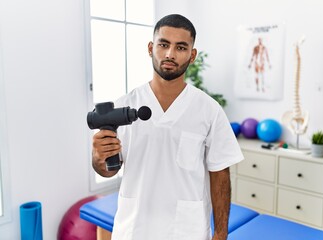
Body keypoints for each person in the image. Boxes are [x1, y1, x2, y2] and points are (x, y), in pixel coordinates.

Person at [92, 14, 243, 240]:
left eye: (181, 47)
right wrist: (98, 158)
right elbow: (108, 170)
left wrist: (221, 233)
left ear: (192, 55)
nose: (170, 54)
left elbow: (220, 173)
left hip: (186, 230)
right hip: (134, 229)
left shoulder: (209, 110)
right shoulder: (123, 106)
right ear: (151, 48)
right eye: (164, 44)